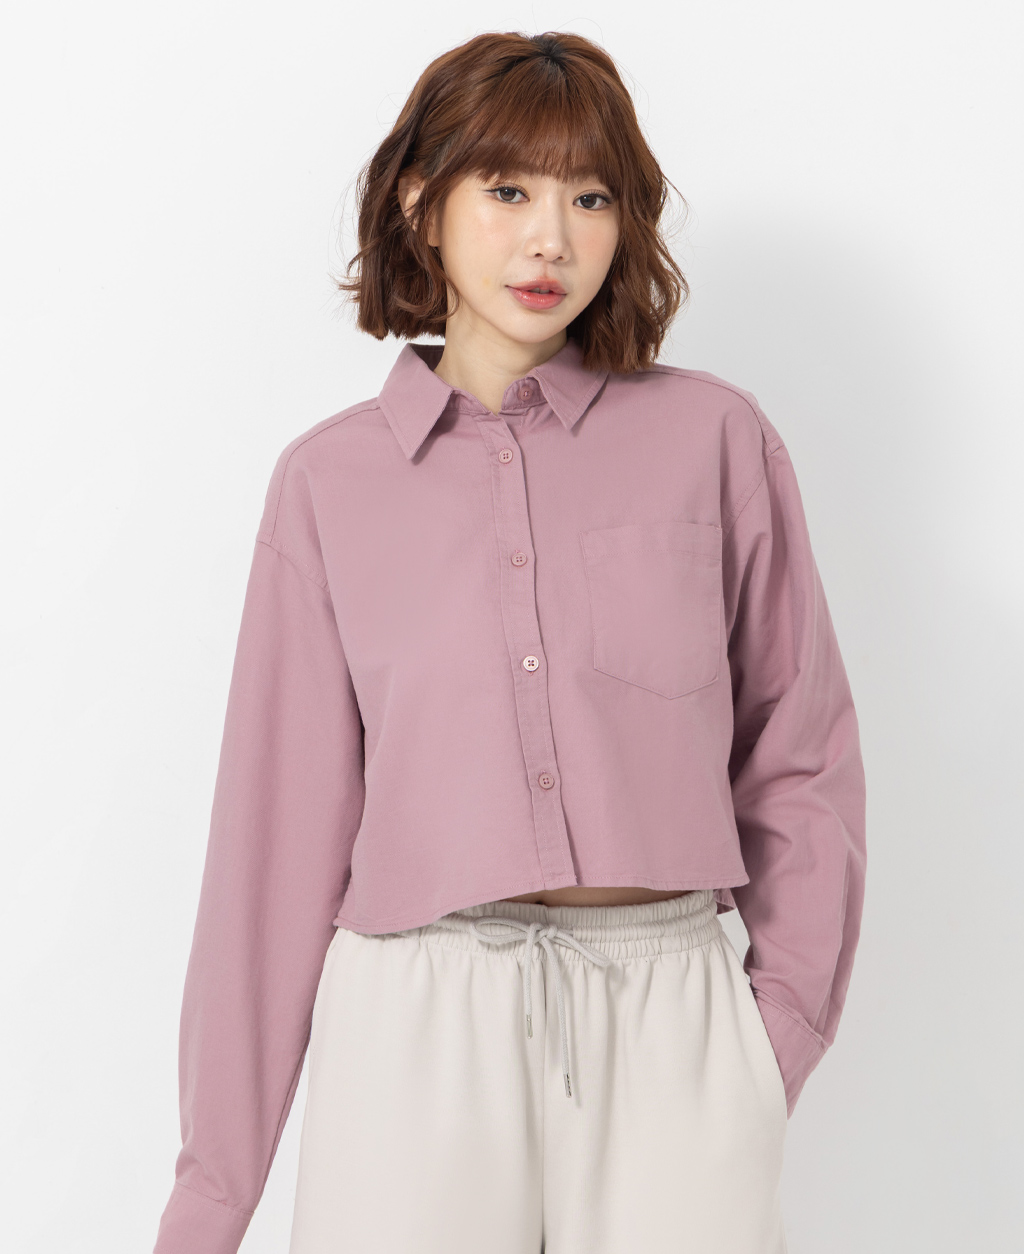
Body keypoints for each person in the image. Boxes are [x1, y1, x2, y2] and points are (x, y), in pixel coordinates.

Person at [153, 29, 866, 1254]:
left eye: (590, 197)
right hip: (414, 1024)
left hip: (670, 1021)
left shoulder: (715, 442)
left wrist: (770, 1041)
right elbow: (273, 848)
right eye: (507, 190)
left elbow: (798, 755)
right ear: (420, 206)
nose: (551, 240)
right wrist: (211, 1202)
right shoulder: (328, 485)